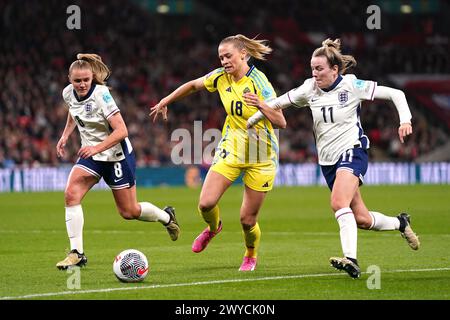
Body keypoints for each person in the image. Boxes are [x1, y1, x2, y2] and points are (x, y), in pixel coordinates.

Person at [246, 38, 420, 278]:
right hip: (327, 161)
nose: (314, 73)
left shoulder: (351, 85)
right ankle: (401, 223)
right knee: (362, 219)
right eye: (312, 69)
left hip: (352, 151)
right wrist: (252, 120)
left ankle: (351, 260)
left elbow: (396, 94)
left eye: (319, 69)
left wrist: (405, 120)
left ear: (334, 69)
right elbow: (277, 103)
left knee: (339, 203)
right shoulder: (309, 88)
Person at [150, 34, 286, 271]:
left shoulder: (259, 82)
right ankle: (214, 228)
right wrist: (166, 100)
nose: (224, 61)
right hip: (231, 147)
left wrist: (261, 105)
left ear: (243, 54)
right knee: (205, 203)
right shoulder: (221, 77)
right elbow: (193, 85)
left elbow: (281, 121)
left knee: (247, 220)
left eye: (228, 55)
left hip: (260, 157)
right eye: (221, 57)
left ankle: (250, 254)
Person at [56, 53, 180, 270]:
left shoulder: (102, 95)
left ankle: (166, 216)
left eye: (86, 80)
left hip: (116, 157)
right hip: (92, 157)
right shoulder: (68, 93)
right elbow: (73, 111)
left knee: (129, 212)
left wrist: (96, 147)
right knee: (71, 194)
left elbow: (122, 130)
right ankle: (77, 253)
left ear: (92, 78)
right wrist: (65, 135)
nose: (82, 84)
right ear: (69, 79)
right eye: (77, 81)